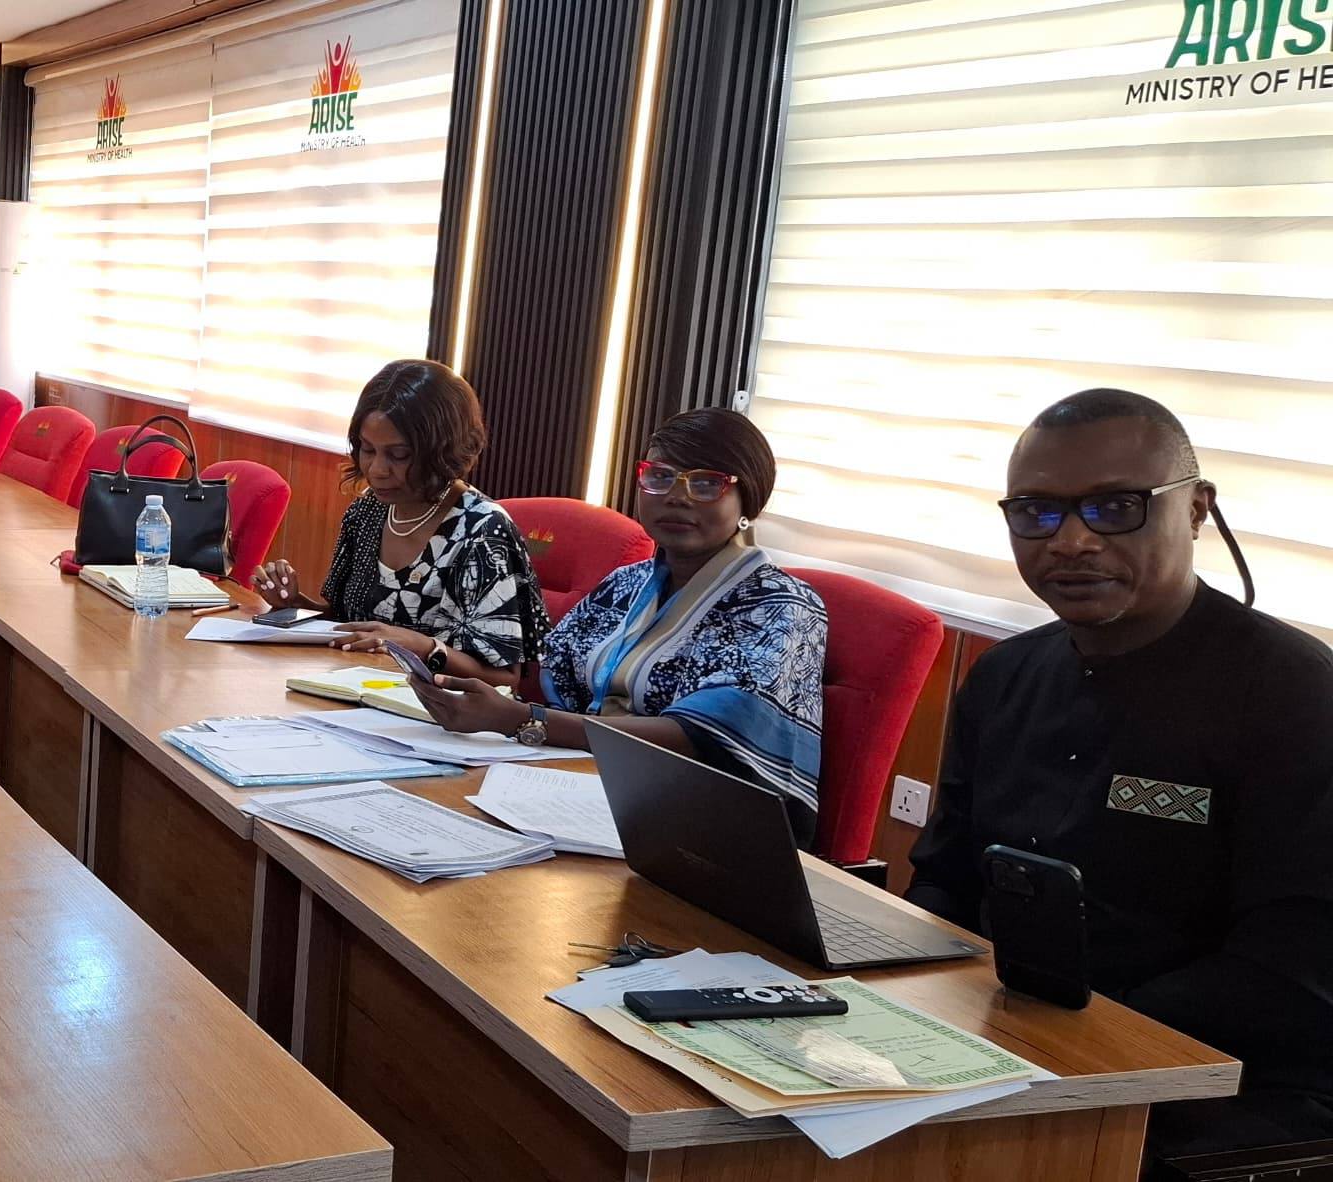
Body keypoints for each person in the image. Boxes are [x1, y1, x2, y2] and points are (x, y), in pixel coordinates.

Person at [905, 389, 1333, 1159]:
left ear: (1196, 510)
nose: (1071, 541)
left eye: (1115, 508)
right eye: (1036, 512)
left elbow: (1290, 968)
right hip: (1001, 1040)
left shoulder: (1297, 697)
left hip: (1223, 1088)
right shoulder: (1004, 677)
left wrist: (1068, 1043)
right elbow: (945, 877)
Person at [408, 408, 830, 840]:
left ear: (748, 500)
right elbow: (543, 674)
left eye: (706, 484)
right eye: (660, 476)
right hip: (574, 785)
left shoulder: (781, 605)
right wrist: (440, 668)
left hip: (702, 822)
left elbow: (697, 737)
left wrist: (523, 720)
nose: (677, 496)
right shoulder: (625, 583)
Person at [252, 359, 549, 686]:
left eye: (399, 455)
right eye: (368, 450)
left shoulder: (482, 531)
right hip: (353, 690)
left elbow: (505, 678)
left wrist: (423, 647)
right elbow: (345, 621)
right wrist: (294, 604)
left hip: (438, 708)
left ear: (442, 451)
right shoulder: (367, 511)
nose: (377, 469)